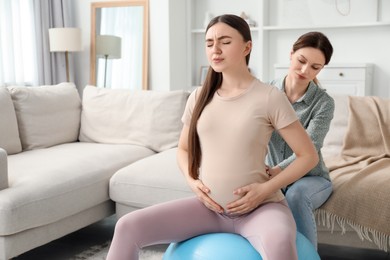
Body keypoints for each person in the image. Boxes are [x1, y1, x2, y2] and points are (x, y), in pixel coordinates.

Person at [106, 14, 319, 260]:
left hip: (261, 210)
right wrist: (192, 182)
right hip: (208, 209)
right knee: (127, 226)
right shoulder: (198, 97)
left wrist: (264, 190)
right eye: (209, 43)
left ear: (247, 47)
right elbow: (184, 149)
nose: (215, 50)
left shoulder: (269, 96)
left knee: (280, 242)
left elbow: (307, 156)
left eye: (225, 42)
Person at [266, 31, 335, 250]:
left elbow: (311, 150)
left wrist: (277, 172)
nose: (306, 71)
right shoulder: (266, 92)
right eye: (301, 61)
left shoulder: (323, 103)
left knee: (296, 195)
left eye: (315, 67)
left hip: (311, 178)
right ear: (291, 54)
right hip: (271, 173)